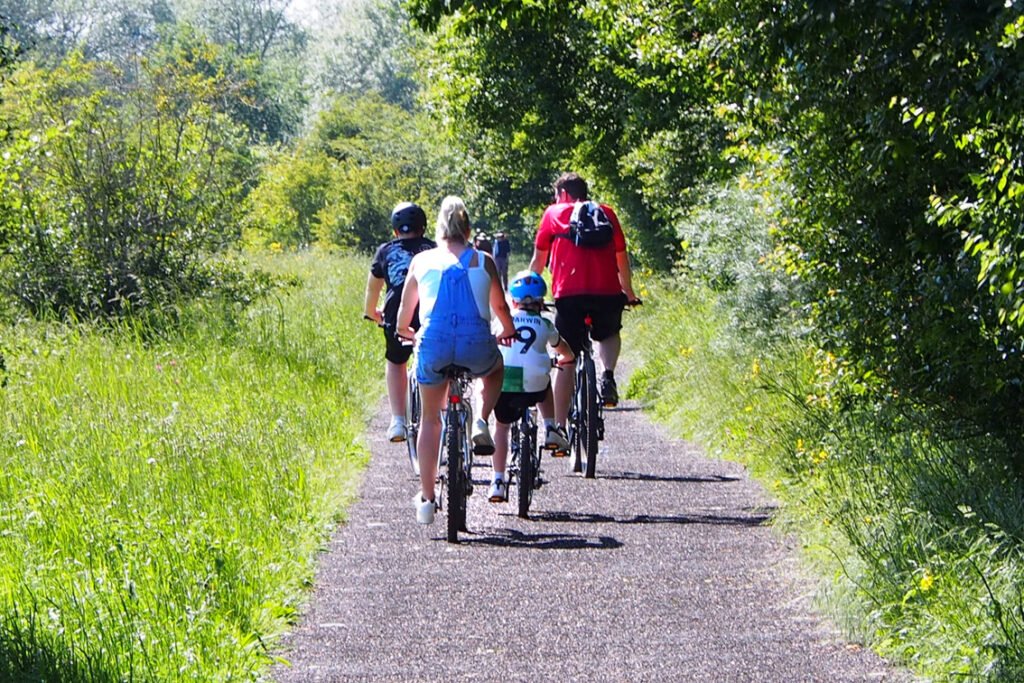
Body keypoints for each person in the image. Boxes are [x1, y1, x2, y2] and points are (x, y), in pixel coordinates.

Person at [397, 196, 515, 524]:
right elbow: (501, 308)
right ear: (467, 228)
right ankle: (480, 419)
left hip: (433, 344)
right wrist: (507, 330)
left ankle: (427, 498)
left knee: (431, 420)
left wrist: (407, 331)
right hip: (475, 343)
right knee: (493, 370)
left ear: (438, 228)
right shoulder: (484, 260)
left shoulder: (421, 261)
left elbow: (404, 316)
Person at [528, 172, 639, 432]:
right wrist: (629, 293)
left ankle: (558, 428)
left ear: (564, 193)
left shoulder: (553, 213)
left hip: (569, 294)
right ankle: (608, 375)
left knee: (567, 357)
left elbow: (538, 262)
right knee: (609, 332)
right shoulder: (607, 213)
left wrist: (532, 298)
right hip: (607, 292)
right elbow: (621, 259)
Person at [487, 270, 574, 502]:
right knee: (545, 384)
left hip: (505, 381)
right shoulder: (544, 323)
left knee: (502, 428)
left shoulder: (502, 320)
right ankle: (551, 428)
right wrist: (565, 358)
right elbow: (563, 349)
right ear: (540, 301)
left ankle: (497, 481)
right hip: (534, 382)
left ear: (513, 301)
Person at [363, 202, 436, 442]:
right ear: (423, 228)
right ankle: (440, 414)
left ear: (395, 231)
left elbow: (373, 288)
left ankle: (397, 420)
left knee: (396, 362)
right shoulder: (434, 249)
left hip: (396, 313)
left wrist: (371, 311)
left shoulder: (385, 251)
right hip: (429, 310)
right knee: (436, 361)